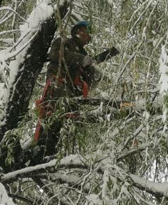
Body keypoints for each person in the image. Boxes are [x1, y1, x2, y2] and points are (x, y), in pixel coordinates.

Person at [33, 20, 118, 155]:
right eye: (86, 32)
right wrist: (81, 59)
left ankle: (51, 153)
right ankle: (41, 148)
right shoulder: (65, 42)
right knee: (53, 118)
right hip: (59, 84)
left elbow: (86, 78)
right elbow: (56, 54)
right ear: (78, 31)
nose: (88, 36)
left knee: (65, 125)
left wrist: (93, 74)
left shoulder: (82, 52)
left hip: (73, 92)